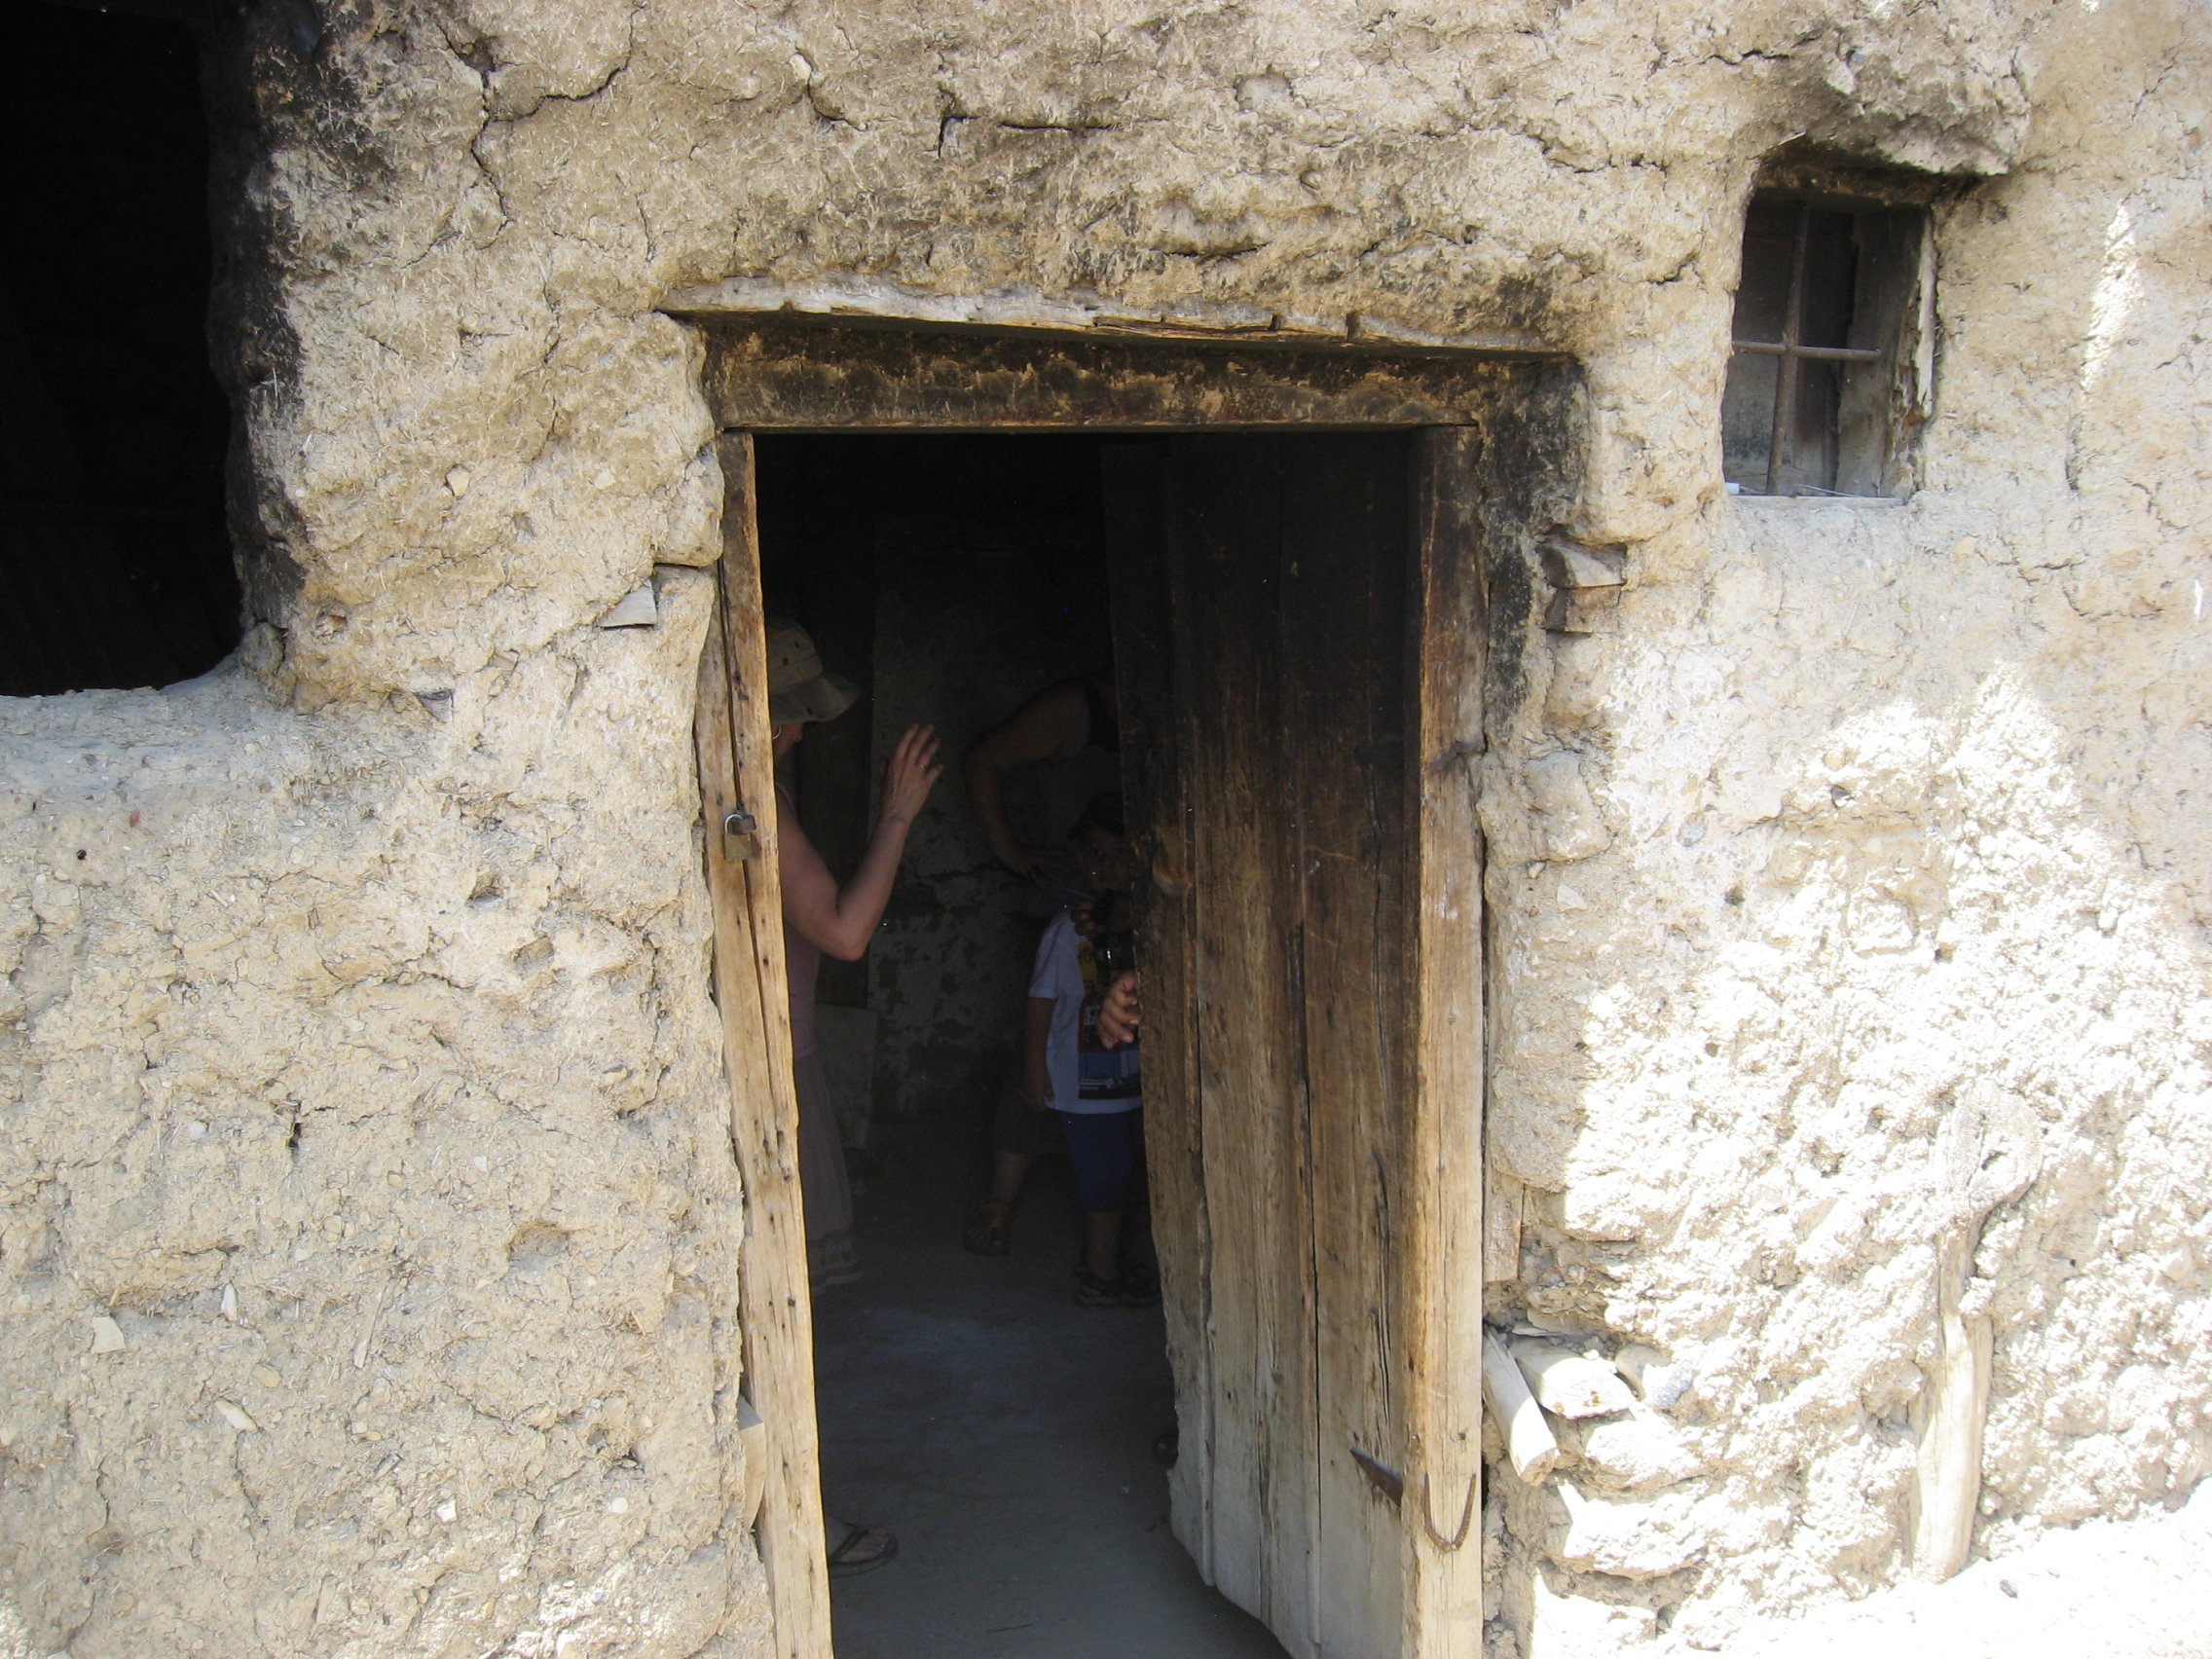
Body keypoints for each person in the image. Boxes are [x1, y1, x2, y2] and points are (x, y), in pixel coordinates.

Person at [767, 616, 941, 1578]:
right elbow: (842, 932)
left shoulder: (751, 786)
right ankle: (804, 1524)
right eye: (788, 715)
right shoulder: (762, 797)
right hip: (776, 1083)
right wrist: (898, 816)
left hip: (771, 1069)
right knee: (782, 1319)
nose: (799, 732)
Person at [961, 668, 1120, 1254]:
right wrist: (1010, 852)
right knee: (1044, 1047)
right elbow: (981, 761)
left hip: (1129, 908)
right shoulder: (1075, 707)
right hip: (1071, 904)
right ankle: (1001, 1200)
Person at [1020, 799, 1158, 1309]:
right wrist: (1034, 1069)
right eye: (1095, 853)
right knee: (1104, 1181)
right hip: (1085, 1091)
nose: (1106, 864)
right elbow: (1040, 1002)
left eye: (1120, 853)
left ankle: (1110, 1264)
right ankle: (1100, 1277)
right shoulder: (1066, 931)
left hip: (1134, 1086)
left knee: (1125, 1177)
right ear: (1080, 860)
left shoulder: (1149, 929)